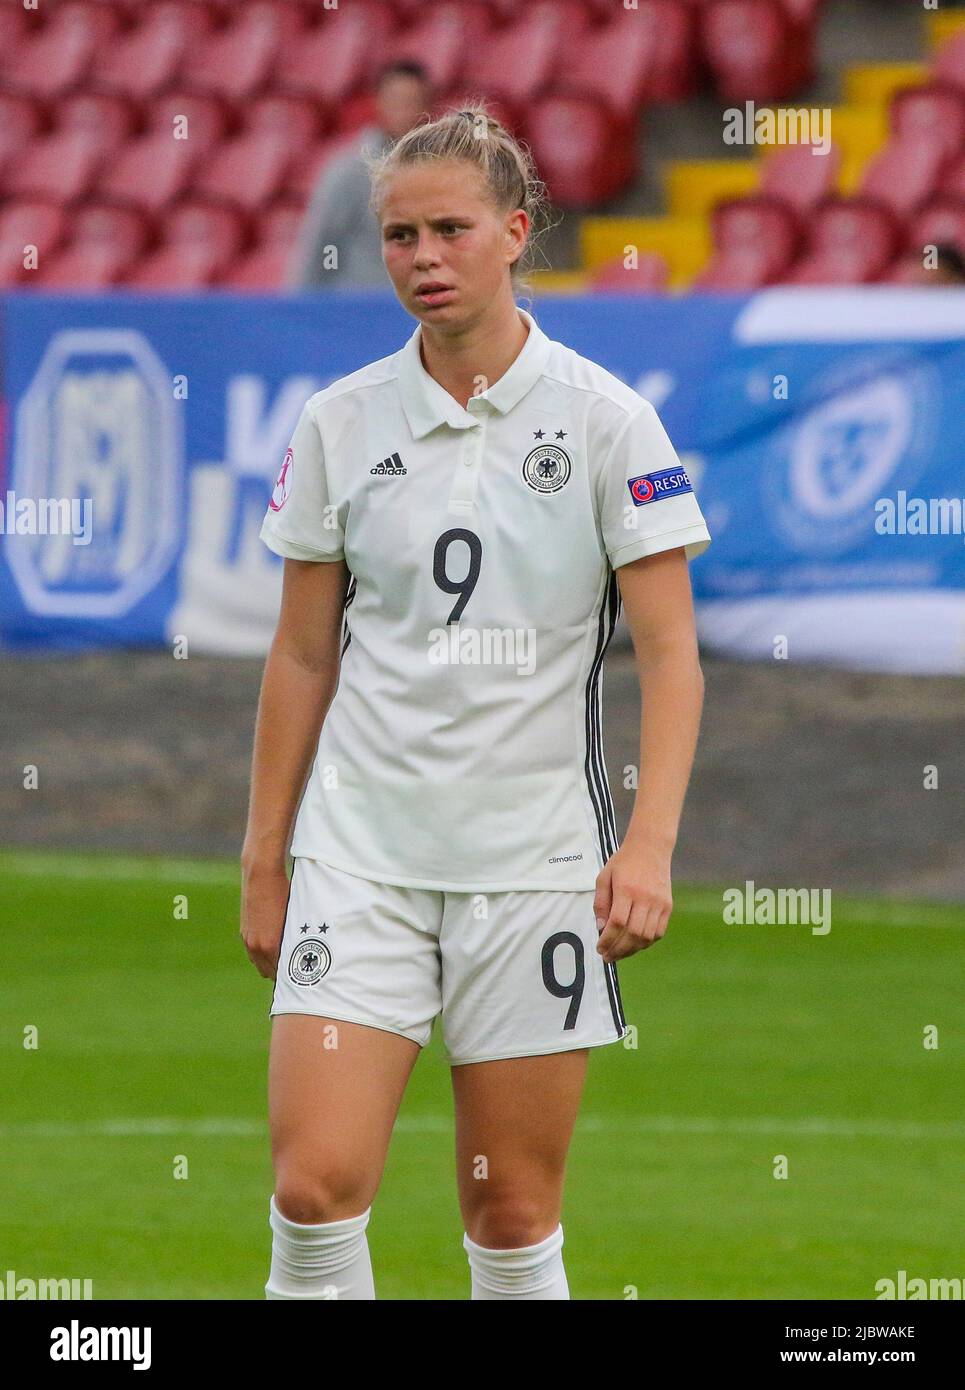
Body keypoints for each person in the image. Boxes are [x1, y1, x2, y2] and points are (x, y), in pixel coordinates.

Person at [242, 104, 712, 1301]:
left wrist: (646, 845)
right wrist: (263, 856)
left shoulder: (607, 420)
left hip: (533, 868)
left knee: (509, 1214)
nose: (421, 258)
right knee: (312, 1188)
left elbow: (670, 654)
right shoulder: (339, 420)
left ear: (514, 233)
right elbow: (301, 655)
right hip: (360, 860)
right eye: (399, 236)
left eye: (448, 229)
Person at [287, 60, 432, 289]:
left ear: (425, 107)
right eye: (396, 100)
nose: (403, 111)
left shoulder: (438, 174)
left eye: (411, 101)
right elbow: (325, 243)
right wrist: (317, 301)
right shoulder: (350, 172)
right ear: (379, 102)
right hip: (357, 309)